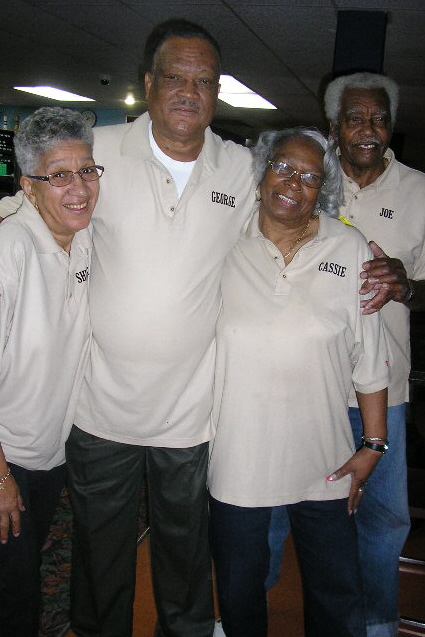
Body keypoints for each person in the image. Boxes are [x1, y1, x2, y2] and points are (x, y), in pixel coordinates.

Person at [64, 19, 255, 637]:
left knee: (185, 548)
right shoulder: (96, 151)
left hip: (190, 409)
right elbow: (39, 209)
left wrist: (366, 259)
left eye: (204, 82)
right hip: (99, 403)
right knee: (100, 548)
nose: (189, 93)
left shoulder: (241, 170)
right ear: (148, 83)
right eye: (175, 78)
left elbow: (291, 232)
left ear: (216, 92)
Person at [208, 127, 390, 637]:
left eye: (310, 177)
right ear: (262, 172)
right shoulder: (224, 239)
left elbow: (370, 359)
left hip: (323, 460)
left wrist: (374, 445)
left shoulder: (349, 247)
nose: (294, 183)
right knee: (240, 592)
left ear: (322, 190)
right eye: (284, 167)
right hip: (238, 458)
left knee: (337, 595)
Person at [323, 72, 425, 637]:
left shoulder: (419, 191)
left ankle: (376, 625)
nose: (368, 130)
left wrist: (406, 286)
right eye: (355, 118)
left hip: (386, 392)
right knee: (285, 512)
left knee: (383, 519)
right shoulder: (307, 178)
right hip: (308, 384)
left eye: (379, 119)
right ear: (333, 126)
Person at [0, 107, 101, 637]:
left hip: (48, 455)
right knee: (17, 597)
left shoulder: (84, 240)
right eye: (58, 175)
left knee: (22, 578)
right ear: (28, 187)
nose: (79, 188)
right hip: (5, 458)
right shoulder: (9, 248)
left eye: (87, 170)